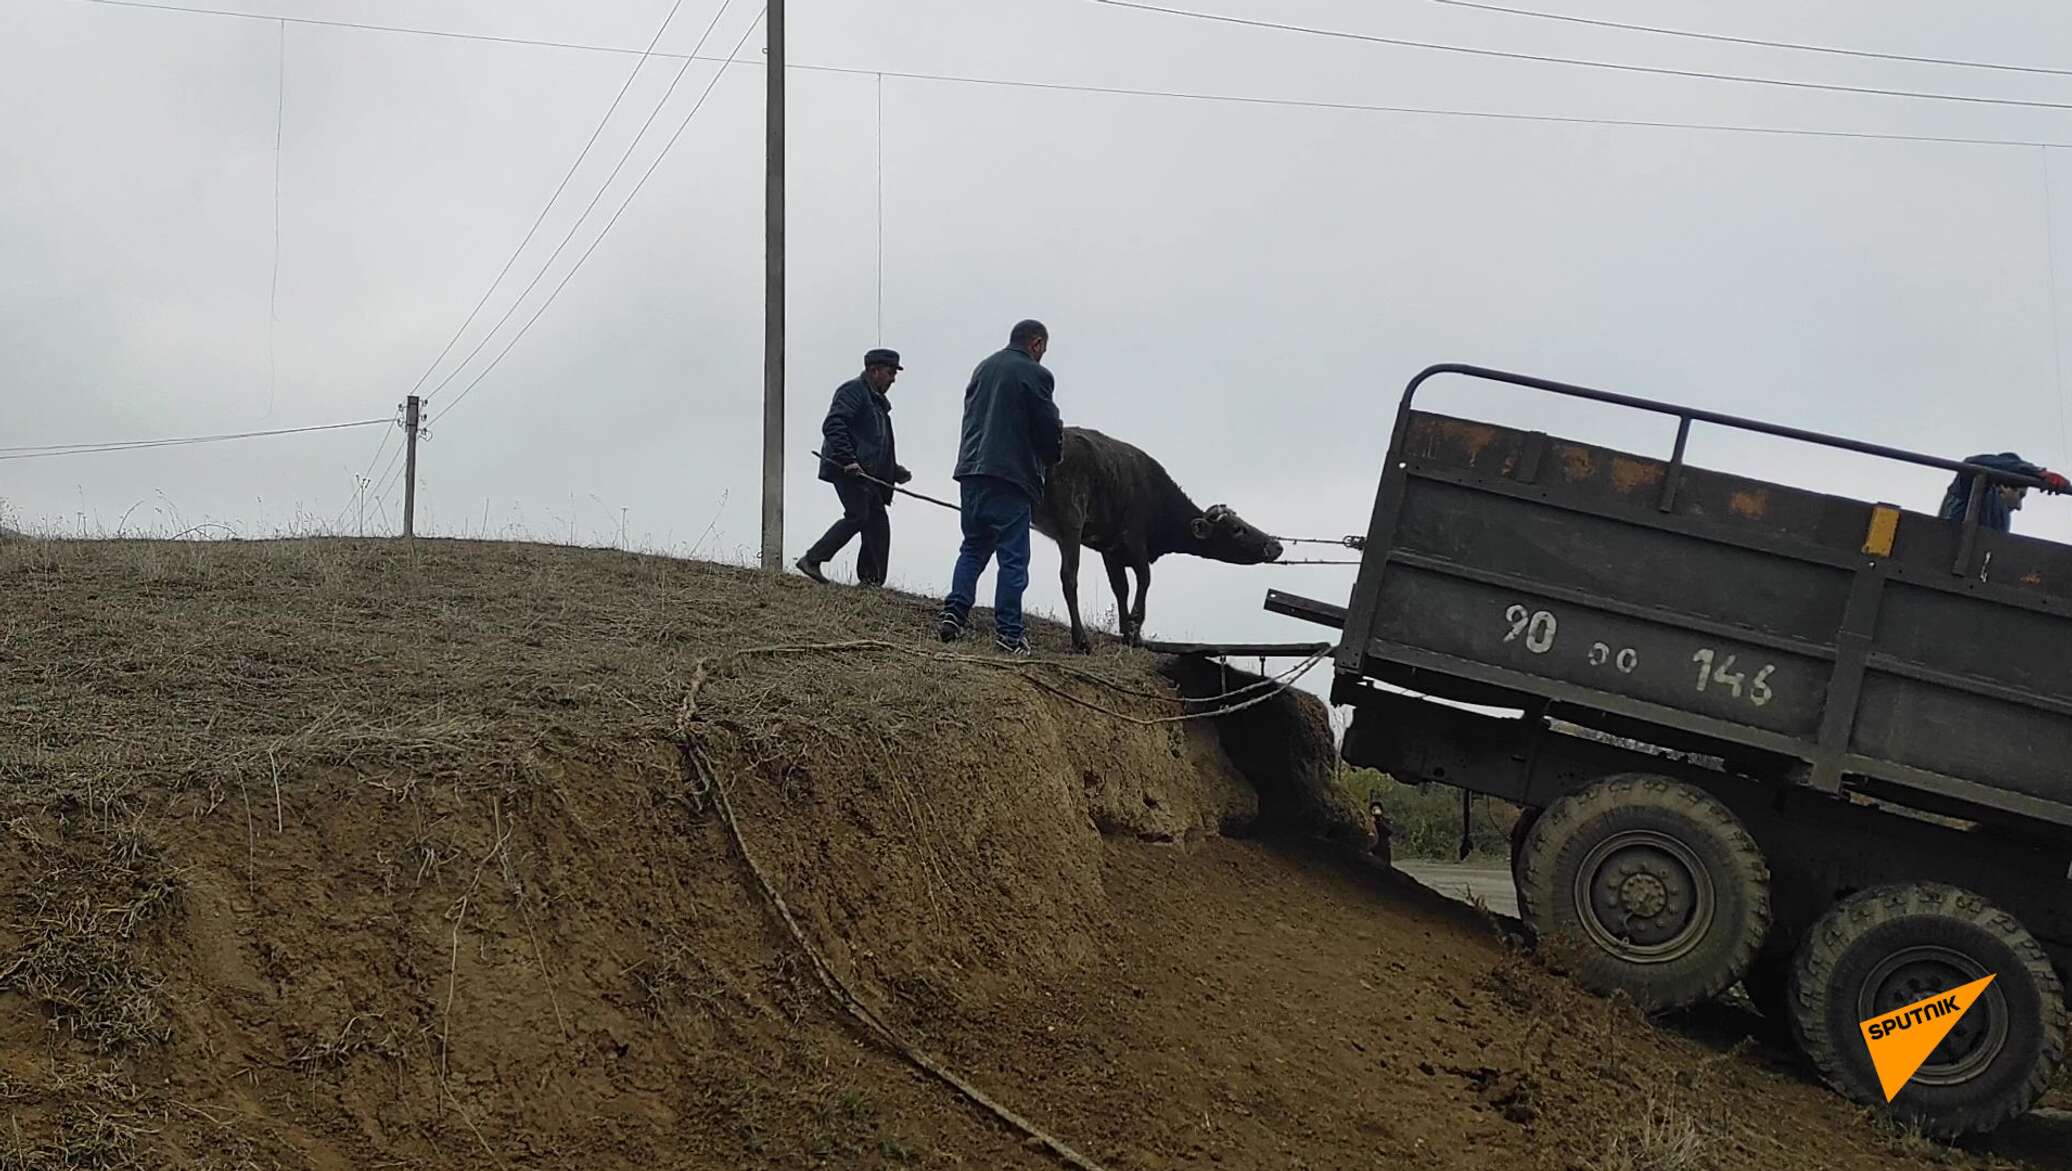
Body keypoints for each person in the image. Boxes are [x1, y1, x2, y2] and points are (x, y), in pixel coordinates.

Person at [936, 320, 1064, 656]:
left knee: (974, 546)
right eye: (1044, 350)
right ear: (1036, 344)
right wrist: (1054, 454)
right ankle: (1009, 634)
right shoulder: (1036, 375)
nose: (1043, 357)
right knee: (1013, 558)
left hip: (971, 472)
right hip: (1010, 476)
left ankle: (954, 613)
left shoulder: (984, 367)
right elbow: (1047, 426)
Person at [797, 348, 910, 586]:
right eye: (890, 373)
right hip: (847, 469)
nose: (893, 379)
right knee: (859, 516)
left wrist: (893, 470)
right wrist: (849, 460)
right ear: (875, 370)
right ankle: (812, 559)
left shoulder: (877, 403)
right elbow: (833, 424)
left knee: (877, 522)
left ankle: (871, 581)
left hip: (865, 473)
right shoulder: (853, 391)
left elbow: (874, 444)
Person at [1937, 452, 2069, 533]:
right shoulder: (1970, 489)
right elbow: (1973, 464)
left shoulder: (2001, 516)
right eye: (2020, 496)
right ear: (2004, 487)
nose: (2019, 507)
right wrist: (2038, 472)